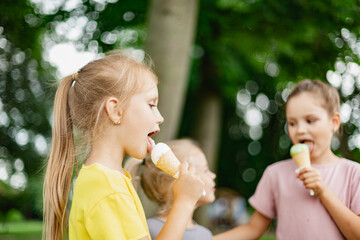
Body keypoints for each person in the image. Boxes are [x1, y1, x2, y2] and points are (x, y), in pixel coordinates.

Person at [42, 52, 205, 240]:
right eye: (151, 104)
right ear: (115, 110)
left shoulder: (106, 180)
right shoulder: (109, 188)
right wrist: (184, 202)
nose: (160, 117)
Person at [214, 79, 360, 240]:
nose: (300, 130)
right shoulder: (275, 174)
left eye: (310, 120)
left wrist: (323, 192)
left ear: (334, 122)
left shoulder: (353, 174)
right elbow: (253, 229)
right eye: (292, 123)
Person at [126, 139, 216, 240]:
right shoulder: (146, 230)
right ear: (177, 183)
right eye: (206, 170)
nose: (213, 175)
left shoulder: (206, 234)